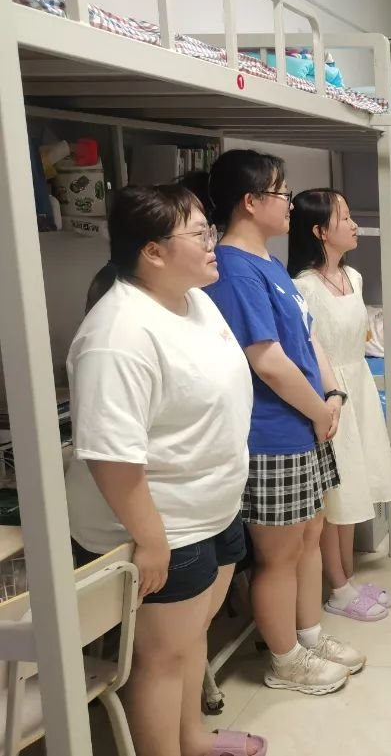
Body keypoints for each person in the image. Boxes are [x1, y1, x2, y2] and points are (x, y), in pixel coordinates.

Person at [67, 185, 267, 756]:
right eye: (199, 233)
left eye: (210, 229)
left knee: (191, 636)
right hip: (164, 525)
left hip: (213, 506)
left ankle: (192, 739)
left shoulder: (193, 299)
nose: (213, 243)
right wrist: (151, 540)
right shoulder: (118, 335)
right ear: (153, 252)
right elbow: (110, 455)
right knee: (161, 658)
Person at [198, 150, 365, 694]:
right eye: (281, 193)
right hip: (271, 433)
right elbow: (266, 361)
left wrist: (332, 394)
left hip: (307, 423)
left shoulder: (270, 264)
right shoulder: (232, 270)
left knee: (311, 536)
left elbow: (308, 336)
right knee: (279, 555)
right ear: (250, 202)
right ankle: (285, 659)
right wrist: (320, 409)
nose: (289, 203)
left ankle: (310, 635)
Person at [288, 189, 391, 623]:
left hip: (359, 385)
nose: (354, 225)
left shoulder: (353, 276)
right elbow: (308, 351)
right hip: (329, 392)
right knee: (334, 496)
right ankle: (337, 587)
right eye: (345, 218)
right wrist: (326, 399)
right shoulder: (303, 287)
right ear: (319, 231)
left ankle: (348, 578)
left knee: (355, 485)